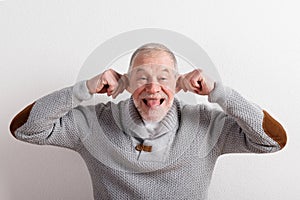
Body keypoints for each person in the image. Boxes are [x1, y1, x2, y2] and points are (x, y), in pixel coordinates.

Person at [10, 43, 287, 200]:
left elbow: (271, 142)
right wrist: (85, 88)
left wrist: (219, 93)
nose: (153, 88)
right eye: (142, 77)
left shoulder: (204, 124)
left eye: (164, 78)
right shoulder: (95, 124)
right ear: (127, 83)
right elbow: (25, 129)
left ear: (178, 84)